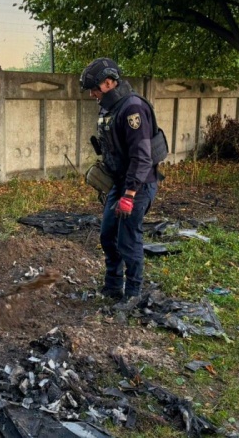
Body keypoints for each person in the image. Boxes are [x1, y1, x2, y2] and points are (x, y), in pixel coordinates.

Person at [80, 57, 158, 300]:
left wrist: (129, 195)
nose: (92, 94)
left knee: (128, 239)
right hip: (119, 181)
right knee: (107, 234)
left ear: (109, 82)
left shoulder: (132, 108)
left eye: (94, 88)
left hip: (139, 183)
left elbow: (142, 157)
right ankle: (113, 286)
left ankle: (133, 294)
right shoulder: (109, 107)